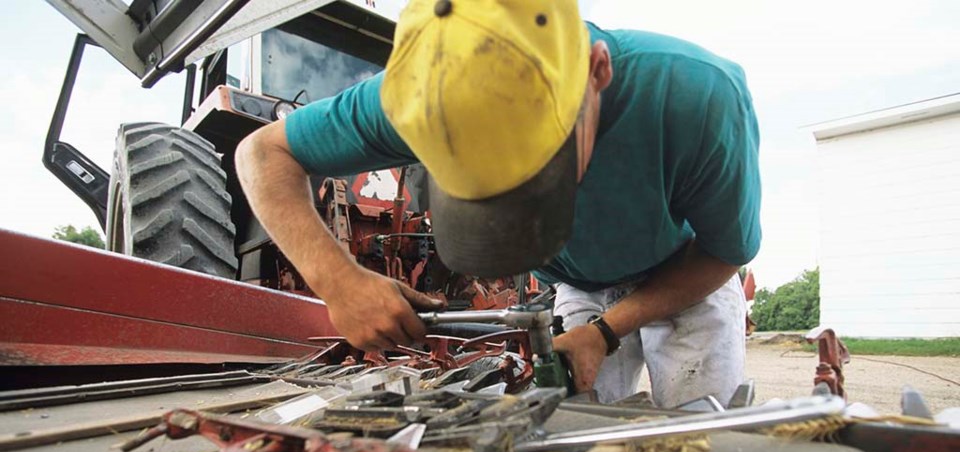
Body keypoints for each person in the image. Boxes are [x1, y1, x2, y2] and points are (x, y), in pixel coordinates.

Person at [236, 0, 761, 407]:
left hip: (686, 275)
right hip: (579, 284)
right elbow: (262, 153)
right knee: (579, 430)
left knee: (700, 434)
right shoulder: (411, 96)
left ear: (597, 72)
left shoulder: (696, 95)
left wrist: (606, 330)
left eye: (534, 172)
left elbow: (724, 252)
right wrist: (340, 282)